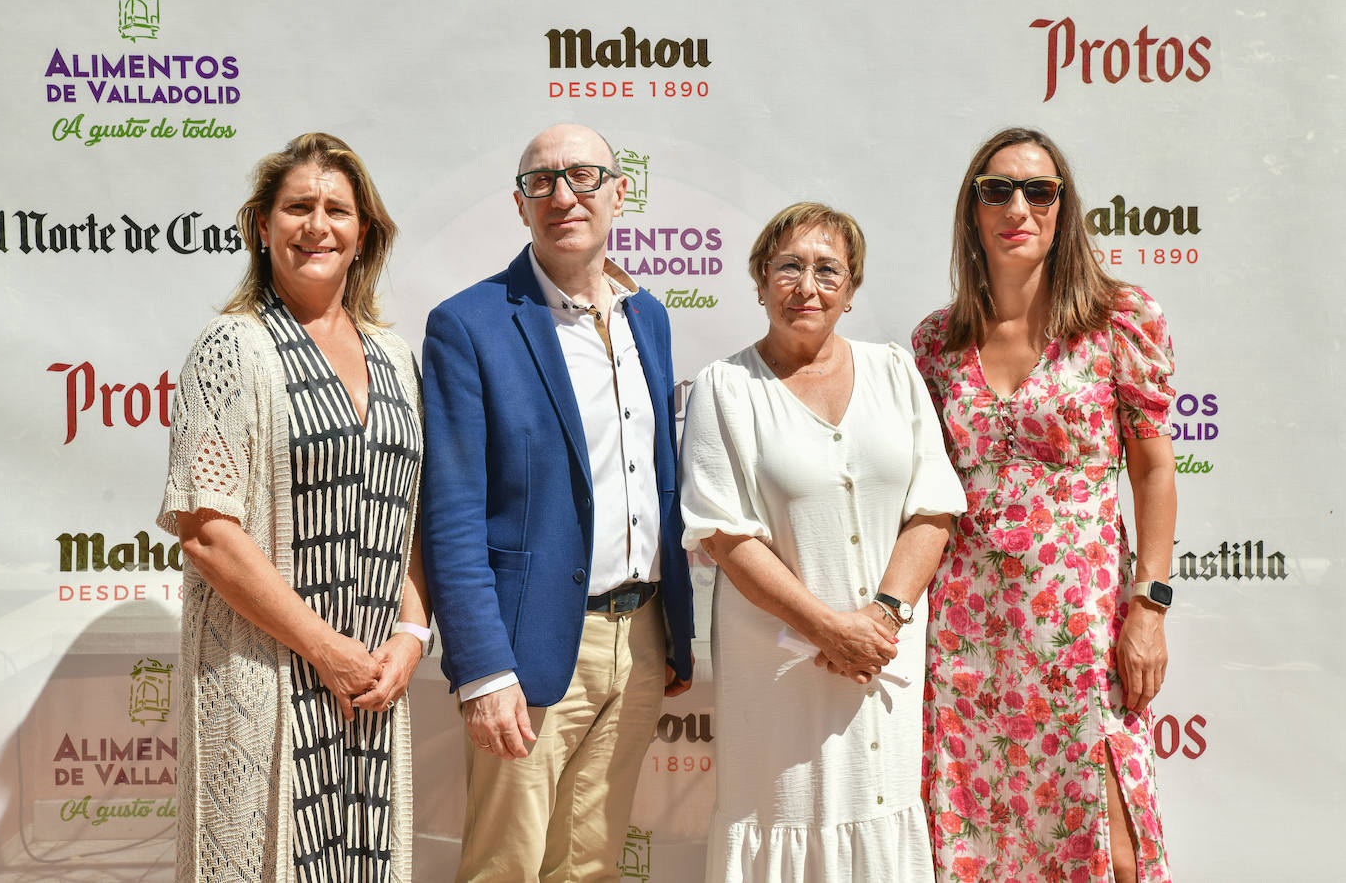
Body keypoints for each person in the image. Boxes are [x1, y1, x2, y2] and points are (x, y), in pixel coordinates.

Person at [420, 123, 695, 882]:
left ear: (618, 192)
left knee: (592, 866)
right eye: (541, 182)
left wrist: (675, 629)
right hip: (532, 646)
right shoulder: (468, 326)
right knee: (504, 869)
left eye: (582, 176)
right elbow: (450, 514)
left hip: (640, 638)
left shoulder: (650, 317)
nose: (562, 196)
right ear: (520, 205)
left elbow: (656, 477)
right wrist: (481, 670)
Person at [158, 132, 430, 882]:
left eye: (337, 209)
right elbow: (208, 534)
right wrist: (326, 649)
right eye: (297, 207)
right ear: (261, 226)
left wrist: (407, 637)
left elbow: (403, 518)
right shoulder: (231, 347)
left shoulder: (396, 356)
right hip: (266, 678)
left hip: (369, 689)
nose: (318, 226)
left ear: (363, 232)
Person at [912, 127, 1176, 883]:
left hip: (1083, 625)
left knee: (1112, 838)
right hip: (967, 631)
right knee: (979, 832)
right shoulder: (936, 342)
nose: (1017, 206)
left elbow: (1155, 470)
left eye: (1040, 190)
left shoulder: (1119, 321)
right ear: (972, 211)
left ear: (1064, 207)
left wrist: (1149, 606)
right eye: (996, 189)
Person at [679, 202, 966, 882]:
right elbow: (724, 535)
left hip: (883, 662)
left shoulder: (895, 372)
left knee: (879, 809)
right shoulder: (727, 388)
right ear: (758, 281)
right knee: (786, 813)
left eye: (827, 270)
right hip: (779, 675)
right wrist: (829, 629)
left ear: (852, 289)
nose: (807, 286)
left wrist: (882, 617)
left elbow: (934, 507)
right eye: (789, 267)